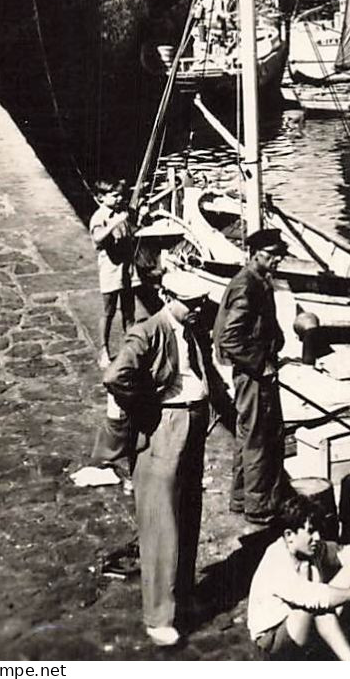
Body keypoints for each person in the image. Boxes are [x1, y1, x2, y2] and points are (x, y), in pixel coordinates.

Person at [102, 270, 226, 647]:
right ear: (165, 295)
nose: (198, 308)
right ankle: (158, 616)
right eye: (190, 303)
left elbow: (203, 372)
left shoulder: (191, 329)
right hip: (167, 425)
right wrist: (149, 411)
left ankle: (182, 597)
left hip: (193, 423)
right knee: (161, 523)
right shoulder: (148, 331)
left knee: (189, 513)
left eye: (201, 302)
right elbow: (115, 376)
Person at [213, 228, 292, 525]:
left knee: (248, 433)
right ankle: (259, 507)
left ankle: (242, 497)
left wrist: (277, 341)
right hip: (254, 375)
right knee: (261, 437)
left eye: (279, 255)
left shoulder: (258, 280)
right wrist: (261, 364)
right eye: (272, 255)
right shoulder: (247, 286)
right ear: (255, 253)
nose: (277, 260)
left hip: (256, 370)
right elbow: (230, 339)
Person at [247, 494, 350, 661]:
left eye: (318, 530)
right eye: (311, 531)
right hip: (272, 643)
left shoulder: (311, 547)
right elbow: (318, 598)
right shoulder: (276, 561)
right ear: (289, 535)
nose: (317, 537)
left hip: (308, 622)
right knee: (318, 605)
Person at [90, 181, 160, 369]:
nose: (119, 198)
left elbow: (136, 231)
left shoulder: (123, 212)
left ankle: (130, 346)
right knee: (109, 311)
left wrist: (143, 218)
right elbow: (97, 237)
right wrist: (114, 222)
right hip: (110, 270)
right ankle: (104, 349)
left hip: (127, 270)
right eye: (114, 195)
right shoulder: (100, 217)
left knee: (129, 311)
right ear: (101, 198)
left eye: (120, 195)